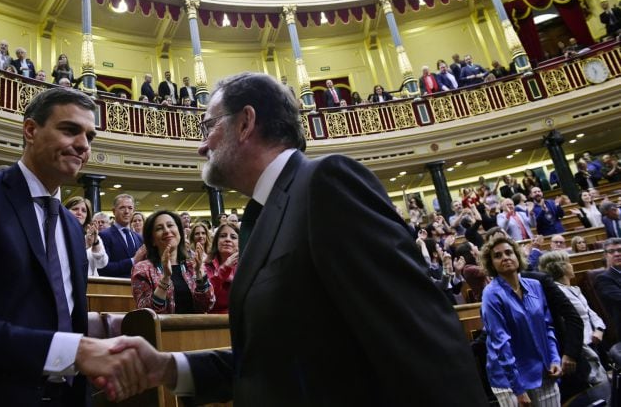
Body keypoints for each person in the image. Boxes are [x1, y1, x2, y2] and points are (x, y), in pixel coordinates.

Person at [109, 72, 488, 405]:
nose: (202, 145)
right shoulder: (259, 217)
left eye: (209, 127)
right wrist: (166, 368)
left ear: (245, 123)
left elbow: (422, 341)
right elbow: (275, 361)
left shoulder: (326, 184)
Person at [0, 87, 148, 405]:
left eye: (90, 137)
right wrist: (74, 352)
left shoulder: (71, 226)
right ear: (31, 130)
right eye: (70, 130)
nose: (83, 145)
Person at [480, 229, 562, 406]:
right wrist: (518, 388)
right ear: (492, 264)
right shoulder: (491, 294)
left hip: (543, 369)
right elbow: (500, 343)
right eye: (498, 255)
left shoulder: (535, 286)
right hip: (509, 380)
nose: (505, 257)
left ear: (518, 256)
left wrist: (554, 358)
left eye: (509, 252)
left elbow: (547, 326)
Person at [538, 250, 608, 392]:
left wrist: (599, 329)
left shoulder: (573, 289)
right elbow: (568, 324)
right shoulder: (558, 292)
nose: (571, 265)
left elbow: (590, 312)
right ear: (562, 267)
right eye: (569, 262)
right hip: (582, 348)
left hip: (594, 342)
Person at [130, 210, 214, 314]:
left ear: (179, 232)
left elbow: (207, 305)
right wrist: (165, 278)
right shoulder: (142, 269)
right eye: (159, 228)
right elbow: (146, 313)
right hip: (162, 329)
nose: (166, 230)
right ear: (152, 240)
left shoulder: (192, 264)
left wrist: (199, 274)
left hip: (195, 328)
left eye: (170, 225)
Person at [97, 193, 146, 278]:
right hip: (116, 288)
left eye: (130, 208)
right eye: (122, 208)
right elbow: (103, 268)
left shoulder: (139, 238)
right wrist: (132, 261)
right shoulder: (104, 236)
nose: (127, 211)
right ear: (113, 211)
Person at [64, 195, 108, 277]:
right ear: (65, 211)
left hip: (91, 285)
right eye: (75, 209)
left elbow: (101, 264)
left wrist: (95, 243)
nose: (79, 213)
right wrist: (85, 245)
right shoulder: (59, 234)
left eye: (84, 211)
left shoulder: (92, 235)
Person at [204, 221, 239, 314]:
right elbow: (206, 300)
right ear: (216, 242)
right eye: (223, 236)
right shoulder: (206, 266)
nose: (228, 239)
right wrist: (224, 270)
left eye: (233, 237)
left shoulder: (247, 266)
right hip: (213, 322)